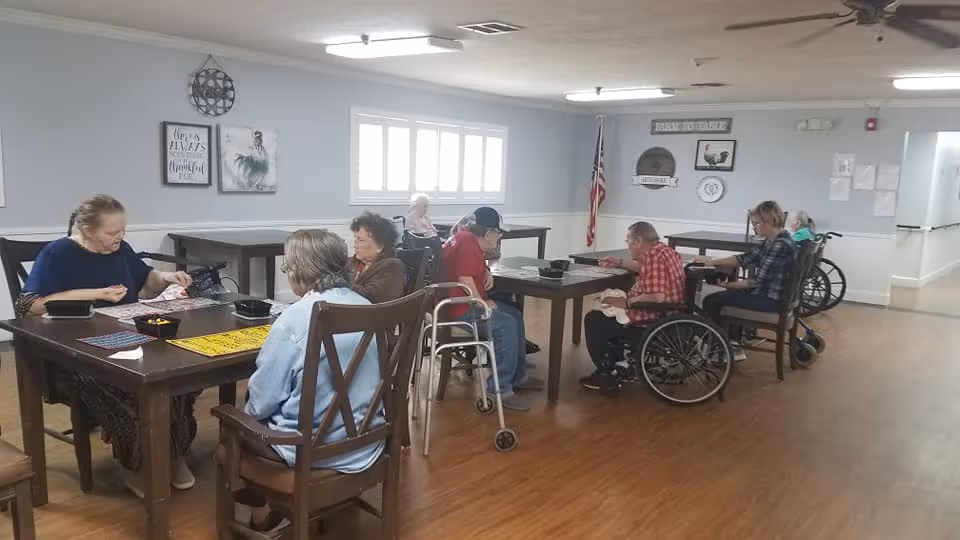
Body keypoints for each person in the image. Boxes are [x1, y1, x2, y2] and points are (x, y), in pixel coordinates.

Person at [16, 194, 197, 498]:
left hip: (129, 342)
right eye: (112, 233)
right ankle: (139, 465)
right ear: (87, 229)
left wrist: (166, 277)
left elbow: (145, 282)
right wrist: (93, 293)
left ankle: (174, 455)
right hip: (76, 353)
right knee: (129, 389)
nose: (120, 238)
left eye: (123, 230)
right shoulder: (57, 254)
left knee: (172, 376)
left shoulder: (120, 250)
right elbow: (28, 305)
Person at [238, 229, 384, 534]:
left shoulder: (295, 318)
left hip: (307, 450)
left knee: (239, 421)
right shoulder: (370, 308)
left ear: (298, 271)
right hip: (367, 441)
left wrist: (243, 418)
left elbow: (262, 401)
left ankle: (262, 511)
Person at [443, 207, 543, 411]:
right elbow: (464, 277)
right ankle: (499, 390)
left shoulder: (464, 239)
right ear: (488, 233)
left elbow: (466, 267)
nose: (499, 237)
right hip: (460, 309)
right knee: (505, 324)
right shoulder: (468, 242)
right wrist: (481, 302)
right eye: (498, 232)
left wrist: (486, 270)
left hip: (458, 304)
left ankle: (518, 375)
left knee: (514, 314)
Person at [579, 222, 685, 391]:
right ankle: (621, 365)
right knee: (606, 306)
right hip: (670, 313)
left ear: (638, 241)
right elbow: (646, 269)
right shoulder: (664, 251)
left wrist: (628, 302)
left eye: (628, 241)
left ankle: (606, 373)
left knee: (594, 319)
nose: (627, 245)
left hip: (653, 316)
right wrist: (620, 262)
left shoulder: (654, 257)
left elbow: (657, 297)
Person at [697, 201, 797, 361]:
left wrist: (729, 285)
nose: (754, 227)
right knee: (729, 295)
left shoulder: (779, 245)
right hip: (771, 295)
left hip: (772, 300)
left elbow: (757, 281)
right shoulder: (775, 240)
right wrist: (712, 262)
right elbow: (744, 258)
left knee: (711, 301)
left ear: (768, 221)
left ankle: (720, 348)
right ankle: (732, 344)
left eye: (757, 223)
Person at [347, 211, 406, 303]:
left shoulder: (392, 266)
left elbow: (370, 295)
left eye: (361, 240)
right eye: (355, 239)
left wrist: (341, 282)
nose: (355, 245)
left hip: (375, 315)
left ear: (380, 246)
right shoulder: (354, 262)